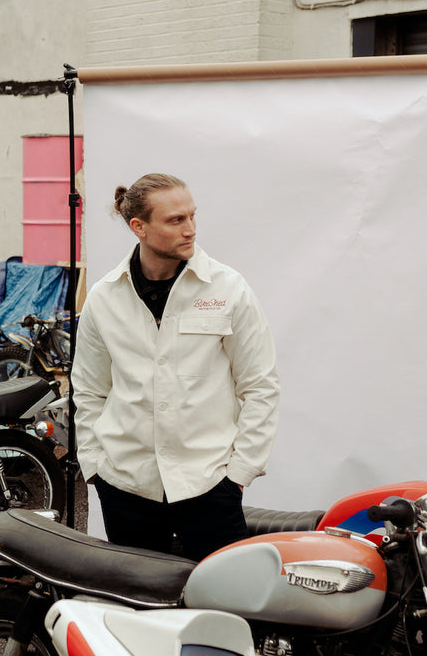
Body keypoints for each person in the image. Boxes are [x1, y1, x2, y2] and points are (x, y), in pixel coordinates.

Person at [71, 172, 280, 561]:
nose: (191, 230)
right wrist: (95, 467)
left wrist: (238, 475)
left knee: (220, 605)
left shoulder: (228, 289)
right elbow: (88, 389)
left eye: (192, 216)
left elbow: (260, 386)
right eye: (175, 220)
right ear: (139, 227)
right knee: (137, 610)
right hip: (126, 486)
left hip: (209, 484)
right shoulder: (104, 297)